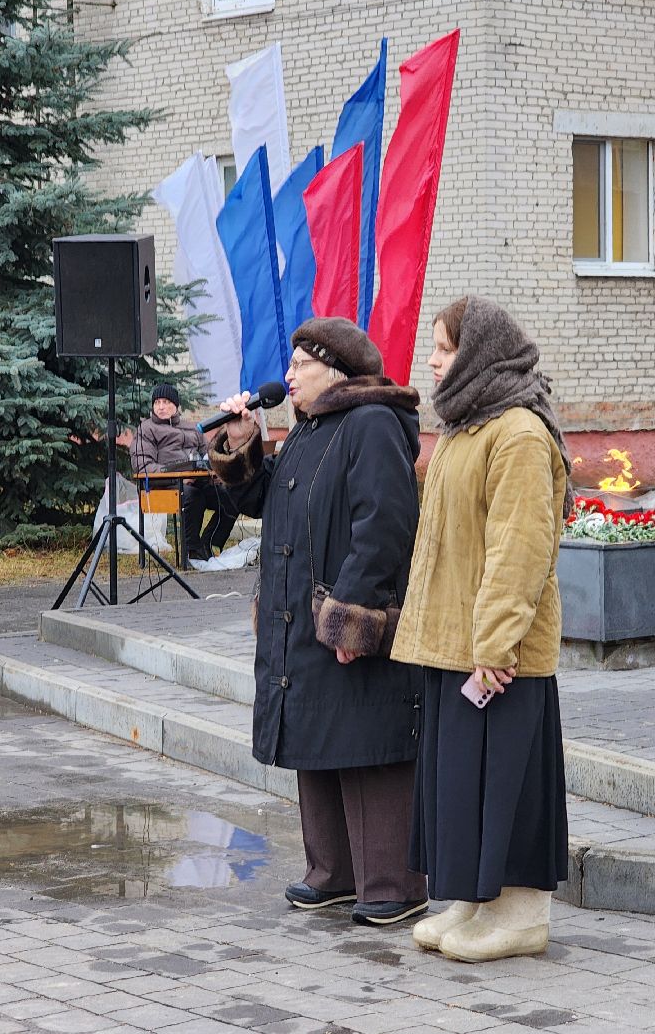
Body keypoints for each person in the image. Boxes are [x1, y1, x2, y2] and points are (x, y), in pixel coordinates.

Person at [208, 318, 426, 927]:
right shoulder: (311, 430)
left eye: (301, 365)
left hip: (347, 619)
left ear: (334, 371)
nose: (289, 376)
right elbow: (266, 502)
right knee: (317, 740)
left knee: (369, 748)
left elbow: (383, 524)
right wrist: (242, 442)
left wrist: (350, 616)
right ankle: (332, 874)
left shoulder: (372, 423)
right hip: (297, 620)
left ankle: (392, 884)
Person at [392, 296, 572, 963]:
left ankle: (521, 913)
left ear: (478, 355)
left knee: (509, 789)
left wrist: (495, 645)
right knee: (467, 786)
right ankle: (476, 901)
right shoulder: (468, 427)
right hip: (453, 644)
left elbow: (519, 551)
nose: (433, 360)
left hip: (500, 657)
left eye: (443, 347)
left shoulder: (519, 433)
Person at [130, 383, 235, 564]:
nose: (161, 407)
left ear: (176, 406)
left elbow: (207, 455)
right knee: (194, 497)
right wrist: (178, 477)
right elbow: (143, 466)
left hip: (199, 480)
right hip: (164, 485)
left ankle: (208, 545)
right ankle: (192, 550)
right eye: (157, 403)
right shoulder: (146, 429)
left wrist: (215, 471)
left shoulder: (193, 428)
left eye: (166, 402)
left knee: (230, 497)